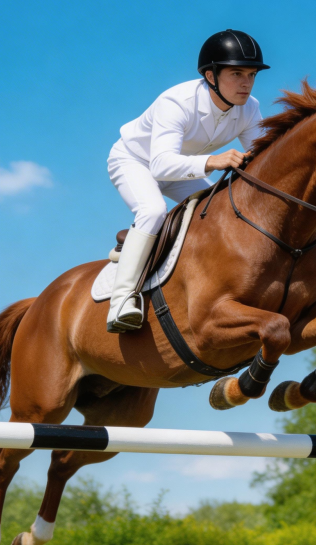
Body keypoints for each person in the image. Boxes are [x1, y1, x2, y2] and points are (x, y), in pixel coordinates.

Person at [106, 29, 270, 333]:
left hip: (182, 168)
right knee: (153, 211)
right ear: (210, 75)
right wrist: (212, 161)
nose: (246, 83)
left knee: (217, 211)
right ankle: (121, 300)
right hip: (136, 161)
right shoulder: (177, 102)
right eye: (236, 73)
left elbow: (262, 157)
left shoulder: (250, 108)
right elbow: (160, 163)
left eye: (251, 74)